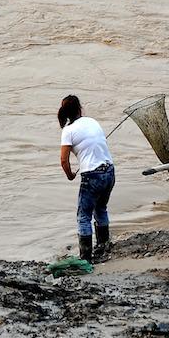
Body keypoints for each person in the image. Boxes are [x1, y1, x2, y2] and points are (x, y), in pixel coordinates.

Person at [58, 95, 115, 262]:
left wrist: (70, 175)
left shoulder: (68, 131)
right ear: (79, 108)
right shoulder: (92, 121)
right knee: (101, 209)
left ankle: (86, 257)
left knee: (84, 216)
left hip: (92, 175)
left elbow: (63, 160)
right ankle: (104, 246)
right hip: (110, 171)